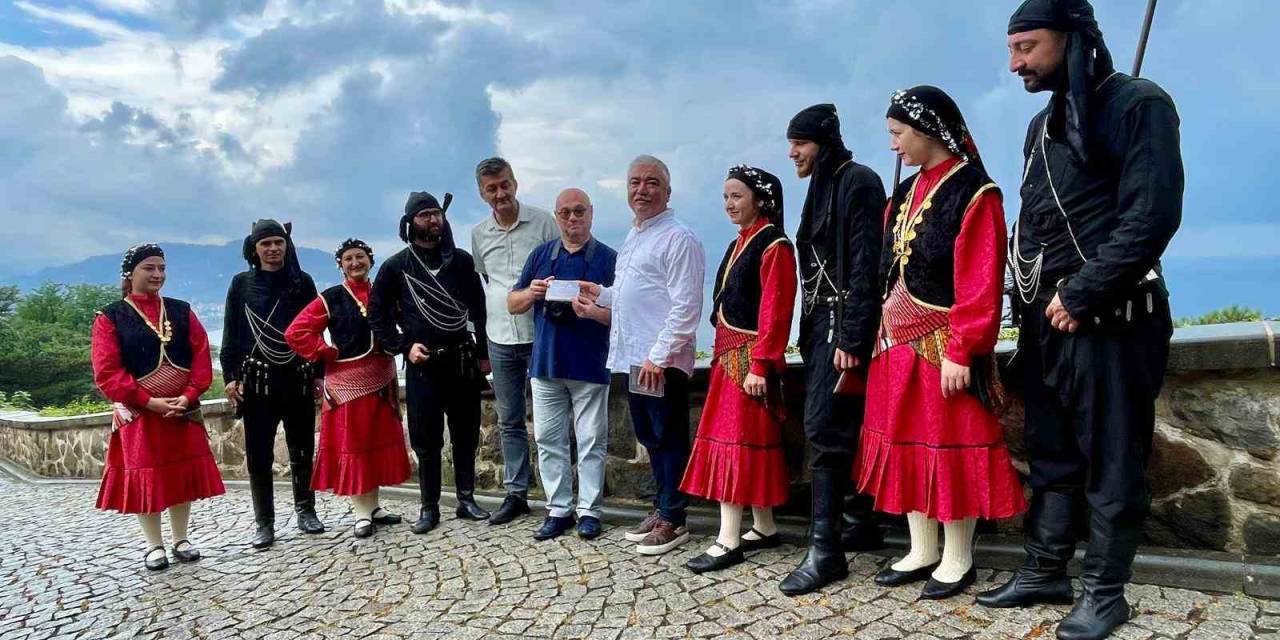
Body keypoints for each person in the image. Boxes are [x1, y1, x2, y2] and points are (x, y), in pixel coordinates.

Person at [979, 2, 1184, 638]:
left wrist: (1085, 293)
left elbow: (1151, 214)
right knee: (1052, 451)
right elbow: (1034, 219)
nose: (1015, 63)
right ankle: (1045, 568)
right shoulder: (1040, 126)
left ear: (1072, 39)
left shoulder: (1139, 104)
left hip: (1112, 317)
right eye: (1011, 49)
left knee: (1114, 457)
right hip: (1044, 322)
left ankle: (1105, 592)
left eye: (1028, 47)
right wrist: (1026, 305)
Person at [854, 86, 1027, 600]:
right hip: (895, 343)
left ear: (927, 130)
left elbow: (980, 276)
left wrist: (963, 348)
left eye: (898, 133)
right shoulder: (903, 194)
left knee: (949, 445)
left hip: (941, 348)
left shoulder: (975, 190)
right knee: (905, 442)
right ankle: (921, 548)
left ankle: (958, 556)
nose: (893, 146)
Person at [780, 104, 887, 596]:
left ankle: (826, 551)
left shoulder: (857, 181)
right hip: (821, 323)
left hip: (842, 325)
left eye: (799, 143)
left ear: (822, 142)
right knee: (837, 427)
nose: (793, 153)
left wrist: (852, 335)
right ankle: (857, 524)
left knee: (826, 428)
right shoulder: (820, 187)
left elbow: (868, 263)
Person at [580, 155, 706, 556]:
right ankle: (660, 507)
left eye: (652, 182)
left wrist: (659, 356)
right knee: (651, 437)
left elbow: (685, 307)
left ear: (667, 191)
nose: (642, 189)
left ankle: (674, 518)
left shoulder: (678, 238)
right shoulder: (636, 236)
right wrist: (598, 292)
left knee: (668, 437)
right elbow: (634, 294)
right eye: (635, 182)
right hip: (634, 357)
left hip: (658, 361)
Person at [680, 165, 797, 574]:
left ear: (760, 200)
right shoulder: (739, 244)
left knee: (737, 443)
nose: (729, 204)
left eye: (737, 196)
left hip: (748, 362)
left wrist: (762, 363)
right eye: (726, 197)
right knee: (748, 442)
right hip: (729, 358)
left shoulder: (773, 245)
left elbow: (776, 310)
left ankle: (728, 538)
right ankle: (763, 526)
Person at [93, 244, 225, 570]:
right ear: (130, 273)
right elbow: (107, 372)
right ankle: (154, 545)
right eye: (149, 268)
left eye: (161, 268)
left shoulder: (181, 311)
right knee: (146, 477)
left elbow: (200, 354)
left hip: (182, 409)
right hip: (140, 413)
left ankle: (181, 538)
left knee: (180, 473)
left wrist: (190, 394)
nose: (157, 275)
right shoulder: (110, 318)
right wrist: (148, 401)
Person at [369, 191, 492, 535]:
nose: (432, 220)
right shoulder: (396, 267)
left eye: (436, 213)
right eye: (424, 215)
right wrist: (404, 346)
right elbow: (377, 316)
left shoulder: (462, 262)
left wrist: (482, 353)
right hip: (424, 365)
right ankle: (429, 507)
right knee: (426, 439)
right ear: (410, 223)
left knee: (466, 434)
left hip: (462, 360)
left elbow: (479, 311)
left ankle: (466, 499)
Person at [284, 238, 413, 538]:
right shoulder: (330, 297)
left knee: (375, 442)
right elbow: (297, 331)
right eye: (348, 259)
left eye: (360, 257)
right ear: (340, 265)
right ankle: (361, 513)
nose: (355, 263)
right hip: (347, 383)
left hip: (382, 376)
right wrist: (324, 351)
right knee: (355, 444)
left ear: (370, 260)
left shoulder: (383, 292)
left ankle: (375, 506)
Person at [508, 188, 617, 541]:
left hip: (590, 363)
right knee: (548, 439)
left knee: (590, 441)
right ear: (556, 217)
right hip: (546, 364)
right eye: (566, 213)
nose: (572, 219)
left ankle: (589, 511)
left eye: (579, 212)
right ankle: (558, 510)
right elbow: (513, 302)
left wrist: (593, 311)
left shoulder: (608, 258)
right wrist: (533, 293)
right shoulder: (541, 256)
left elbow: (626, 315)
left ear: (591, 213)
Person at [221, 219, 324, 549]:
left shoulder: (302, 282)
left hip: (297, 376)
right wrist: (231, 376)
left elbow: (315, 330)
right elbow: (232, 334)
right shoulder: (241, 285)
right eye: (265, 243)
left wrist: (319, 373)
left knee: (302, 449)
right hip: (258, 382)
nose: (273, 248)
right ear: (255, 248)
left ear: (286, 245)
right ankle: (264, 522)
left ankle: (306, 510)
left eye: (278, 242)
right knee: (259, 456)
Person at [470, 157, 560, 526]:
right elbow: (486, 280)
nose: (500, 193)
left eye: (505, 184)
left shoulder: (543, 223)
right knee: (509, 419)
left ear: (515, 183)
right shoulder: (479, 235)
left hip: (542, 335)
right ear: (482, 193)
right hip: (500, 337)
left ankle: (559, 497)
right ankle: (516, 493)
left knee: (552, 417)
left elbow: (559, 272)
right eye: (492, 188)